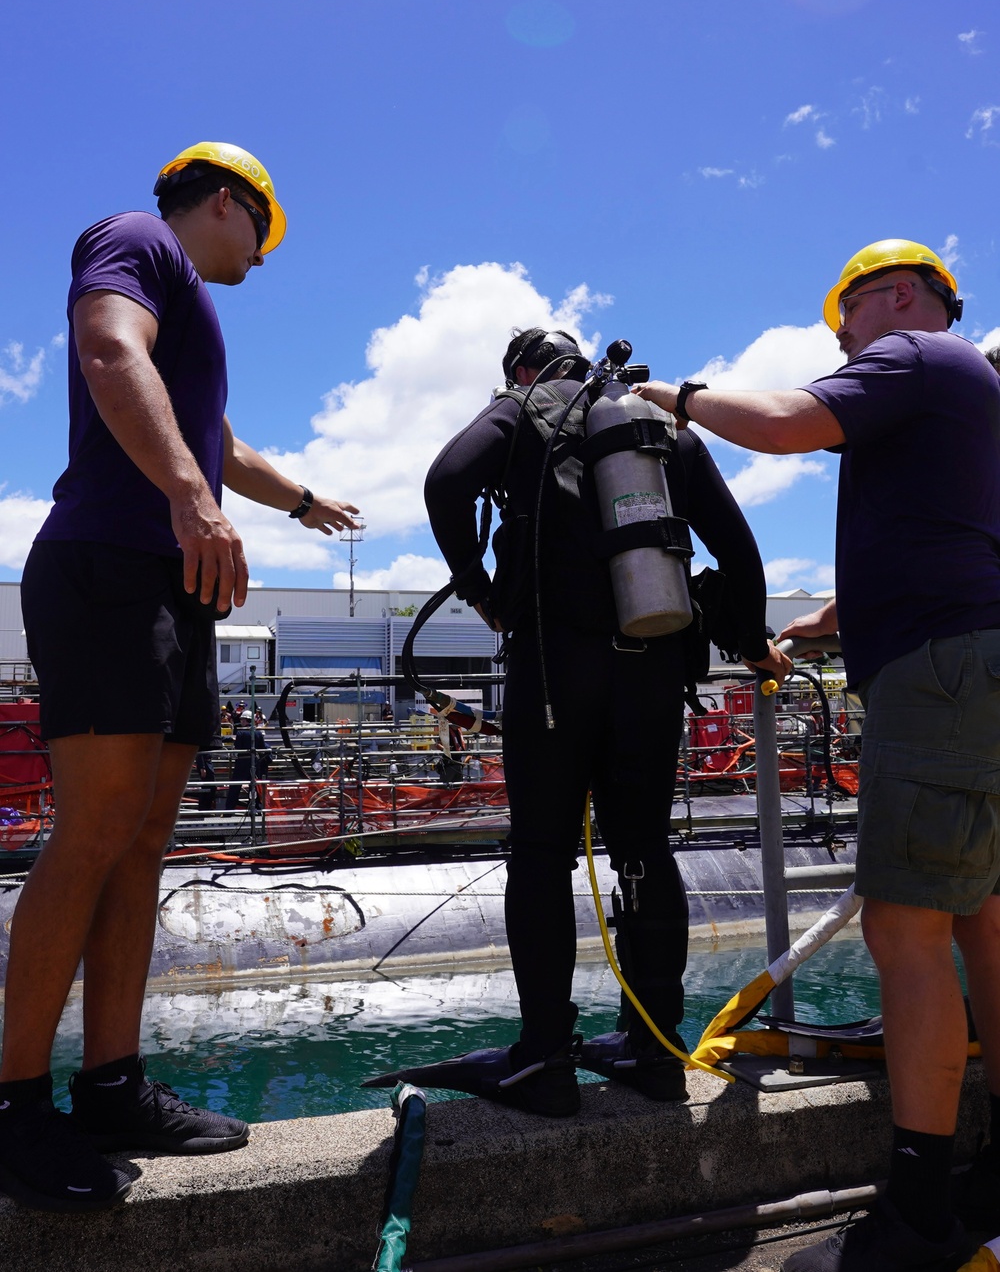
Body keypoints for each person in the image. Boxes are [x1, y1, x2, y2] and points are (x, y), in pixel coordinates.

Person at [0, 142, 360, 1213]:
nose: (261, 254)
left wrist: (294, 502)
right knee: (96, 825)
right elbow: (111, 354)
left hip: (171, 576)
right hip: (112, 559)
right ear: (225, 203)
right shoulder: (136, 238)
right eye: (263, 232)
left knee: (143, 837)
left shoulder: (186, 305)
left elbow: (219, 438)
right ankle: (15, 1104)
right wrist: (192, 501)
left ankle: (110, 1081)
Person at [636, 239, 1000, 1272]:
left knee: (905, 928)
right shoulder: (971, 398)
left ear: (888, 297)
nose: (840, 347)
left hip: (935, 674)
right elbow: (938, 545)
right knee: (982, 920)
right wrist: (812, 628)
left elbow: (788, 423)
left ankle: (916, 1210)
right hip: (973, 654)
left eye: (843, 327)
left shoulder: (920, 356)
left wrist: (675, 394)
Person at [368, 327, 788, 1116]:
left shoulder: (522, 408)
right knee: (642, 849)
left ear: (523, 369)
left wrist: (483, 587)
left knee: (541, 855)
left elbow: (444, 481)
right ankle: (655, 1049)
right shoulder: (654, 425)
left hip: (556, 668)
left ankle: (544, 1056)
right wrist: (752, 642)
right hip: (652, 665)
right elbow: (738, 547)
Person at [226, 711, 271, 809]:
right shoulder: (258, 733)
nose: (241, 721)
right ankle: (256, 808)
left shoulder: (241, 732)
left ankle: (229, 810)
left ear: (246, 720)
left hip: (242, 762)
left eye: (242, 719)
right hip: (254, 762)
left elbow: (238, 748)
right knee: (254, 786)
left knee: (235, 786)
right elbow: (262, 748)